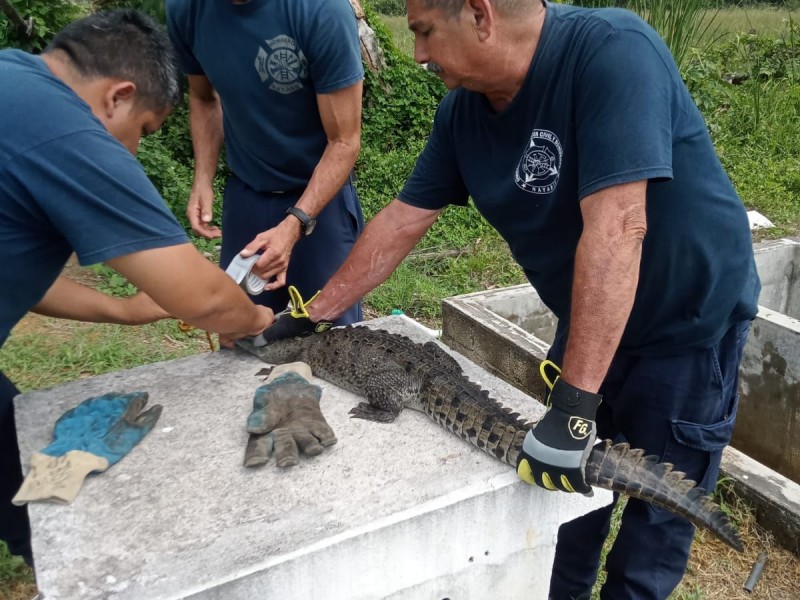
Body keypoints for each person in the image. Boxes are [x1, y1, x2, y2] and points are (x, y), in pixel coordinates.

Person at [257, 1, 760, 598]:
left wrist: (574, 406)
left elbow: (619, 227)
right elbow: (400, 222)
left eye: (422, 32)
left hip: (687, 326)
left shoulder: (610, 51)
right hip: (592, 314)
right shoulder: (463, 112)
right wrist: (311, 315)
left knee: (653, 531)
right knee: (564, 502)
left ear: (480, 14)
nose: (415, 53)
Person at [0, 9, 274, 567]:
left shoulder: (13, 77)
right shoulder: (65, 127)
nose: (133, 153)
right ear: (118, 96)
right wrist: (261, 321)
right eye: (144, 132)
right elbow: (202, 297)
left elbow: (17, 274)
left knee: (18, 468)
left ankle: (47, 559)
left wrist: (126, 311)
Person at [166, 0, 366, 324]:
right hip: (247, 197)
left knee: (333, 341)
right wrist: (202, 179)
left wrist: (294, 224)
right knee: (241, 336)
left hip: (320, 205)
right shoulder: (187, 10)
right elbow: (203, 96)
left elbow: (344, 141)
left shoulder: (322, 11)